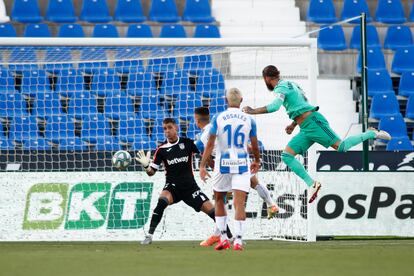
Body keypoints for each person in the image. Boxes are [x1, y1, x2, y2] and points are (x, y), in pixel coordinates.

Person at [242, 65, 391, 203]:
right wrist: (294, 124)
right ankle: (312, 184)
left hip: (314, 123)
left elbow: (275, 106)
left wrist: (252, 111)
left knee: (342, 147)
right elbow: (300, 105)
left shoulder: (281, 87)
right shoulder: (292, 84)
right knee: (286, 156)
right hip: (305, 127)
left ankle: (371, 133)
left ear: (267, 79)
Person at [136, 117, 231, 245]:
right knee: (161, 202)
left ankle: (230, 237)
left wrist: (213, 164)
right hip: (172, 187)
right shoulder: (162, 149)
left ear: (176, 128)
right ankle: (149, 235)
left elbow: (205, 153)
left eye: (169, 127)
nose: (167, 131)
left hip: (190, 188)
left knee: (213, 211)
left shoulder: (187, 143)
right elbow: (151, 172)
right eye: (164, 128)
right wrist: (147, 166)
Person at [194, 106, 278, 247]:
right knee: (253, 184)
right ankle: (271, 204)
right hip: (240, 159)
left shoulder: (206, 134)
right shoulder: (223, 123)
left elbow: (203, 150)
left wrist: (208, 165)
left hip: (224, 165)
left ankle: (220, 235)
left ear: (196, 120)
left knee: (220, 199)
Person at [200, 88, 261, 251]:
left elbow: (210, 143)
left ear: (226, 101)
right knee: (239, 203)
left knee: (219, 200)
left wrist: (202, 165)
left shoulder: (218, 118)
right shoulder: (249, 119)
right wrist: (257, 160)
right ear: (241, 101)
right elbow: (254, 144)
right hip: (241, 163)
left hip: (222, 164)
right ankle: (239, 241)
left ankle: (223, 238)